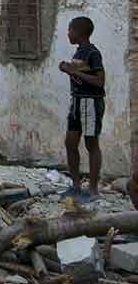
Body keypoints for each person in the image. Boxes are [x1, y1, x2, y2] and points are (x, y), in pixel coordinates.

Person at [59, 16, 105, 201]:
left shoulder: (93, 53)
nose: (68, 33)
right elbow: (80, 74)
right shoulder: (79, 52)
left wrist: (73, 71)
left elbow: (100, 82)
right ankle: (76, 186)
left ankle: (93, 190)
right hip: (77, 102)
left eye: (70, 30)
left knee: (91, 144)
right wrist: (67, 68)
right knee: (70, 143)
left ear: (79, 32)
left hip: (91, 102)